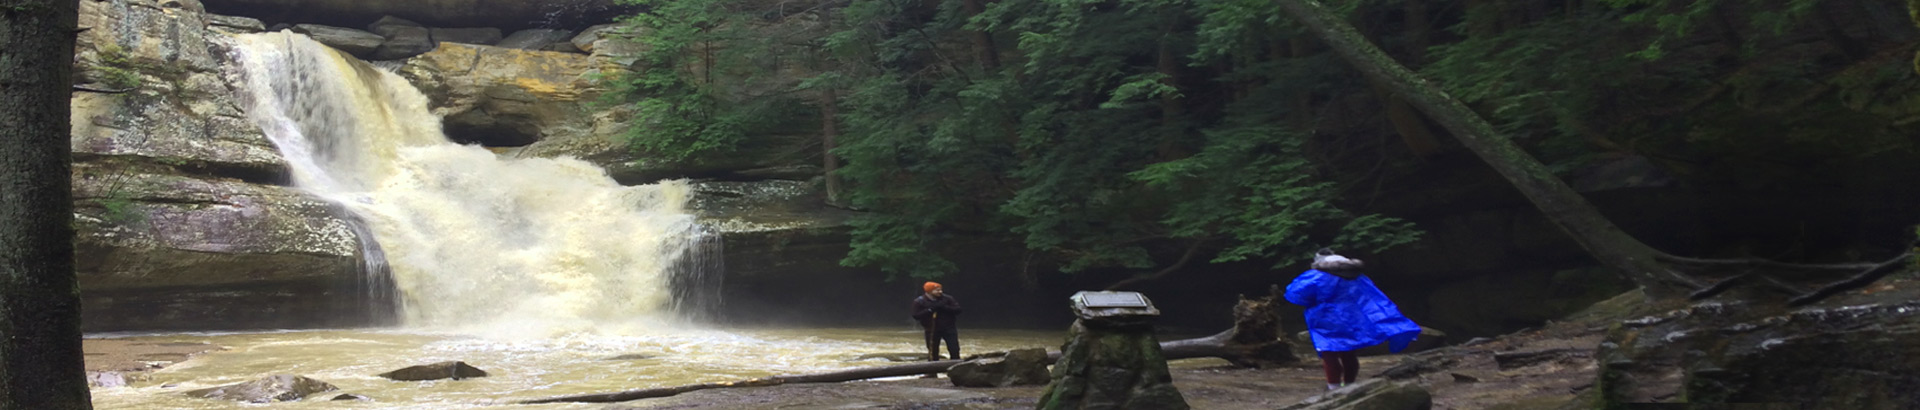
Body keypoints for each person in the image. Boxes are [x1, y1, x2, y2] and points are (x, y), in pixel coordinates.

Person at [1284, 248, 1421, 391]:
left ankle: (1334, 387)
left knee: (1329, 352)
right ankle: (1349, 384)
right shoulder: (1357, 275)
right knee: (1348, 352)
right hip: (1352, 319)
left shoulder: (1317, 276)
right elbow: (1373, 298)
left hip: (1326, 319)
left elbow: (1296, 294)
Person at [911, 281, 963, 362]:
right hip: (931, 329)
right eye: (937, 290)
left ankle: (957, 369)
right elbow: (916, 315)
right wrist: (930, 310)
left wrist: (944, 307)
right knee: (933, 352)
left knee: (954, 349)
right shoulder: (919, 301)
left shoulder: (948, 299)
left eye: (940, 290)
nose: (940, 292)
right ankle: (932, 373)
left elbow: (958, 310)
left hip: (949, 328)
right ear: (929, 291)